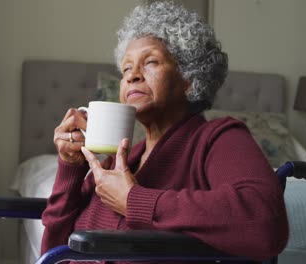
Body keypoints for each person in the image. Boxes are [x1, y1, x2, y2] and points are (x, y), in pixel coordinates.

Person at [41, 1, 289, 262]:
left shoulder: (218, 138)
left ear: (190, 78)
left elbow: (266, 222)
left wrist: (134, 200)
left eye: (150, 62)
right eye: (126, 68)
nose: (132, 76)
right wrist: (70, 167)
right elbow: (53, 252)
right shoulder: (120, 160)